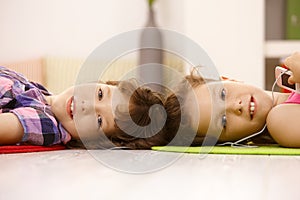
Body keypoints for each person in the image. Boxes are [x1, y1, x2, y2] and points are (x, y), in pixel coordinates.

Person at [0, 66, 170, 149]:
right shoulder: (37, 90)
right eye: (101, 94)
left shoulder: (45, 123)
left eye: (99, 120)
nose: (87, 105)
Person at [164, 52, 300, 148]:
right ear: (233, 141)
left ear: (228, 79)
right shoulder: (279, 121)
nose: (236, 106)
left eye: (223, 94)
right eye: (224, 121)